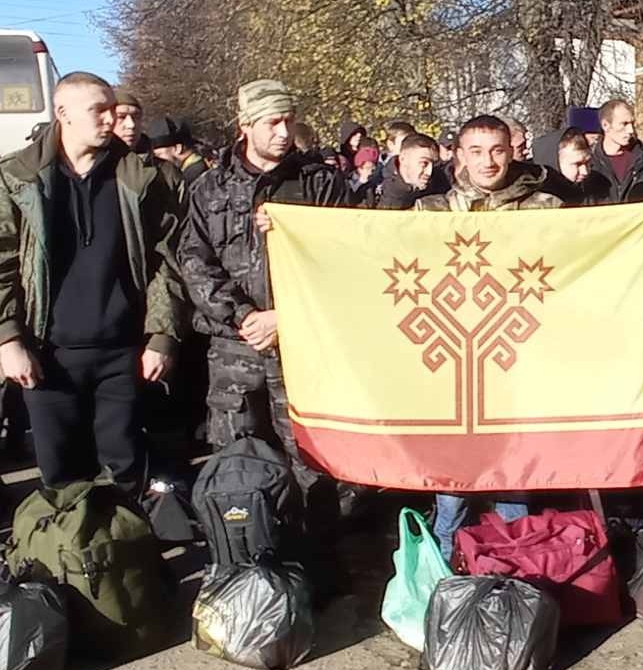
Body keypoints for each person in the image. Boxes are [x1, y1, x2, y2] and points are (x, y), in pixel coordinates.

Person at [0, 72, 186, 493]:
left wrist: (163, 335)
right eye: (99, 110)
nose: (111, 119)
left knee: (125, 473)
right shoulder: (19, 176)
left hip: (123, 353)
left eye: (114, 110)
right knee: (62, 476)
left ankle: (125, 555)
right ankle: (70, 556)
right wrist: (7, 339)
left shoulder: (140, 176)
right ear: (63, 113)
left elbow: (168, 260)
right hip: (47, 355)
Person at [179, 78, 349, 468]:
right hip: (235, 350)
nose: (284, 132)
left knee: (315, 465)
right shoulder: (211, 188)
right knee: (239, 466)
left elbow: (344, 260)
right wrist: (244, 315)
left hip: (305, 346)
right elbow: (194, 262)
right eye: (272, 122)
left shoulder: (321, 184)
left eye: (289, 121)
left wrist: (286, 318)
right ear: (246, 126)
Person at [417, 115, 560, 556]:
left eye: (497, 150)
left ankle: (514, 571)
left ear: (512, 151)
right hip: (454, 363)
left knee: (514, 480)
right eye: (476, 152)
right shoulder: (431, 213)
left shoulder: (546, 210)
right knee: (453, 485)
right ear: (458, 156)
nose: (487, 161)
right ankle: (445, 578)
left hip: (519, 360)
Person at [587, 99, 643, 203]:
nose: (631, 130)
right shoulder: (588, 164)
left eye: (632, 123)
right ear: (605, 125)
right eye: (624, 124)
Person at [543, 128, 608, 206]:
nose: (585, 171)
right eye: (577, 164)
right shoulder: (536, 203)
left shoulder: (597, 190)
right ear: (554, 162)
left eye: (588, 163)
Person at [378, 132, 441, 210]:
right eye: (424, 163)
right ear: (403, 159)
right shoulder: (379, 193)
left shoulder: (440, 183)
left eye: (434, 165)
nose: (429, 172)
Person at [148, 116, 209, 194]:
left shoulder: (191, 179)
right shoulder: (202, 170)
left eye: (159, 155)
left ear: (178, 148)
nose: (157, 161)